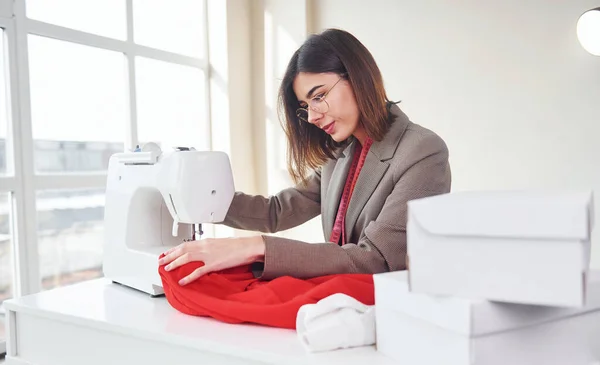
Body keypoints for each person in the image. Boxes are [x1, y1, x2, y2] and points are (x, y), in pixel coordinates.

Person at [159, 28, 451, 286]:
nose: (311, 116)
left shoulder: (422, 151)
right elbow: (277, 212)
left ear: (358, 77)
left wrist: (258, 247)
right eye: (305, 105)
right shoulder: (340, 154)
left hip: (393, 313)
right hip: (345, 303)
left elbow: (376, 260)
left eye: (319, 96)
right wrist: (202, 199)